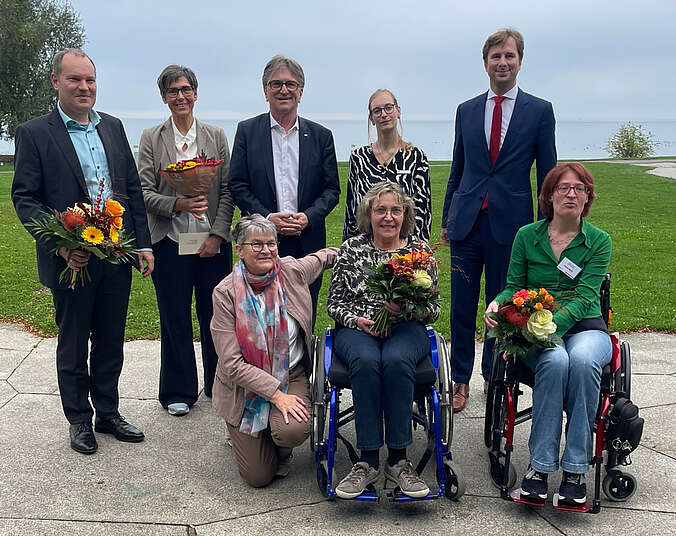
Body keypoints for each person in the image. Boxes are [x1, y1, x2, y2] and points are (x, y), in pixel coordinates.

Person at [11, 49, 154, 454]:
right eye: (75, 80)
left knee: (110, 340)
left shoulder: (113, 127)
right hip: (72, 262)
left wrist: (141, 243)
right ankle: (79, 420)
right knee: (73, 344)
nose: (84, 87)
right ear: (56, 82)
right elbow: (25, 198)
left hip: (116, 255)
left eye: (90, 80)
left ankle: (108, 412)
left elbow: (130, 189)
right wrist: (61, 246)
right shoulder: (35, 133)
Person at [441, 28, 557, 412]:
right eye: (495, 57)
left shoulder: (539, 111)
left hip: (513, 227)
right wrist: (447, 216)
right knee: (461, 307)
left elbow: (548, 173)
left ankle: (494, 376)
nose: (502, 63)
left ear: (520, 61)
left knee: (501, 307)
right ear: (486, 62)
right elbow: (458, 168)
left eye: (509, 56)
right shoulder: (467, 109)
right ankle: (460, 380)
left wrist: (547, 226)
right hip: (467, 224)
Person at [484, 162, 611, 505]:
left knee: (583, 361)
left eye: (579, 189)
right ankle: (538, 469)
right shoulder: (528, 236)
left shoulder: (598, 241)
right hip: (535, 328)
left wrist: (550, 327)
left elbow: (586, 298)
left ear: (587, 198)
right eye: (563, 188)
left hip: (585, 327)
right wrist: (497, 304)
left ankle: (574, 471)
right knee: (555, 361)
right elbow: (513, 287)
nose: (571, 194)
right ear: (549, 195)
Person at [327, 182, 440, 499]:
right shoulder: (351, 250)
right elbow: (334, 304)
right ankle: (367, 461)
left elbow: (433, 309)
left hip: (406, 327)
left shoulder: (419, 254)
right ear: (368, 214)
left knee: (394, 360)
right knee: (366, 361)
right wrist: (359, 321)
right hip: (357, 328)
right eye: (380, 210)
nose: (388, 217)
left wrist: (405, 307)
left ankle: (399, 460)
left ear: (405, 215)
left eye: (395, 210)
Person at [210, 215, 337, 487]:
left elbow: (325, 257)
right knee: (258, 477)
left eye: (271, 243)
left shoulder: (291, 271)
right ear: (239, 249)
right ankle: (242, 435)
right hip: (243, 387)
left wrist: (365, 250)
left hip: (292, 374)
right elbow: (232, 364)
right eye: (256, 244)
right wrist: (276, 396)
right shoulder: (226, 293)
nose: (266, 250)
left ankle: (278, 442)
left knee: (291, 431)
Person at [138, 65, 234, 416]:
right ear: (164, 98)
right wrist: (177, 203)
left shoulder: (216, 136)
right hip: (170, 240)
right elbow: (144, 192)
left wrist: (218, 234)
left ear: (196, 93)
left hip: (211, 244)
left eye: (186, 89)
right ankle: (178, 390)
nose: (180, 96)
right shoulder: (152, 138)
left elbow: (227, 190)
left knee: (217, 315)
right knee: (174, 315)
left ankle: (218, 382)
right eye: (173, 91)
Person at [228, 55, 340, 322]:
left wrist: (309, 217)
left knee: (303, 315)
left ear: (301, 92)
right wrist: (267, 219)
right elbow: (237, 184)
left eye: (291, 84)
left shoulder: (321, 136)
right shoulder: (247, 131)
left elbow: (331, 189)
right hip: (261, 243)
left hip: (308, 241)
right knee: (259, 318)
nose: (283, 90)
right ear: (265, 91)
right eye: (275, 84)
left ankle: (302, 365)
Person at [343, 89, 430, 242]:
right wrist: (348, 249)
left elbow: (422, 213)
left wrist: (417, 255)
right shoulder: (358, 158)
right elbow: (352, 211)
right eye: (377, 111)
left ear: (398, 111)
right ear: (371, 118)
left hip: (403, 251)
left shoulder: (416, 157)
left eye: (388, 108)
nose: (383, 114)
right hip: (364, 250)